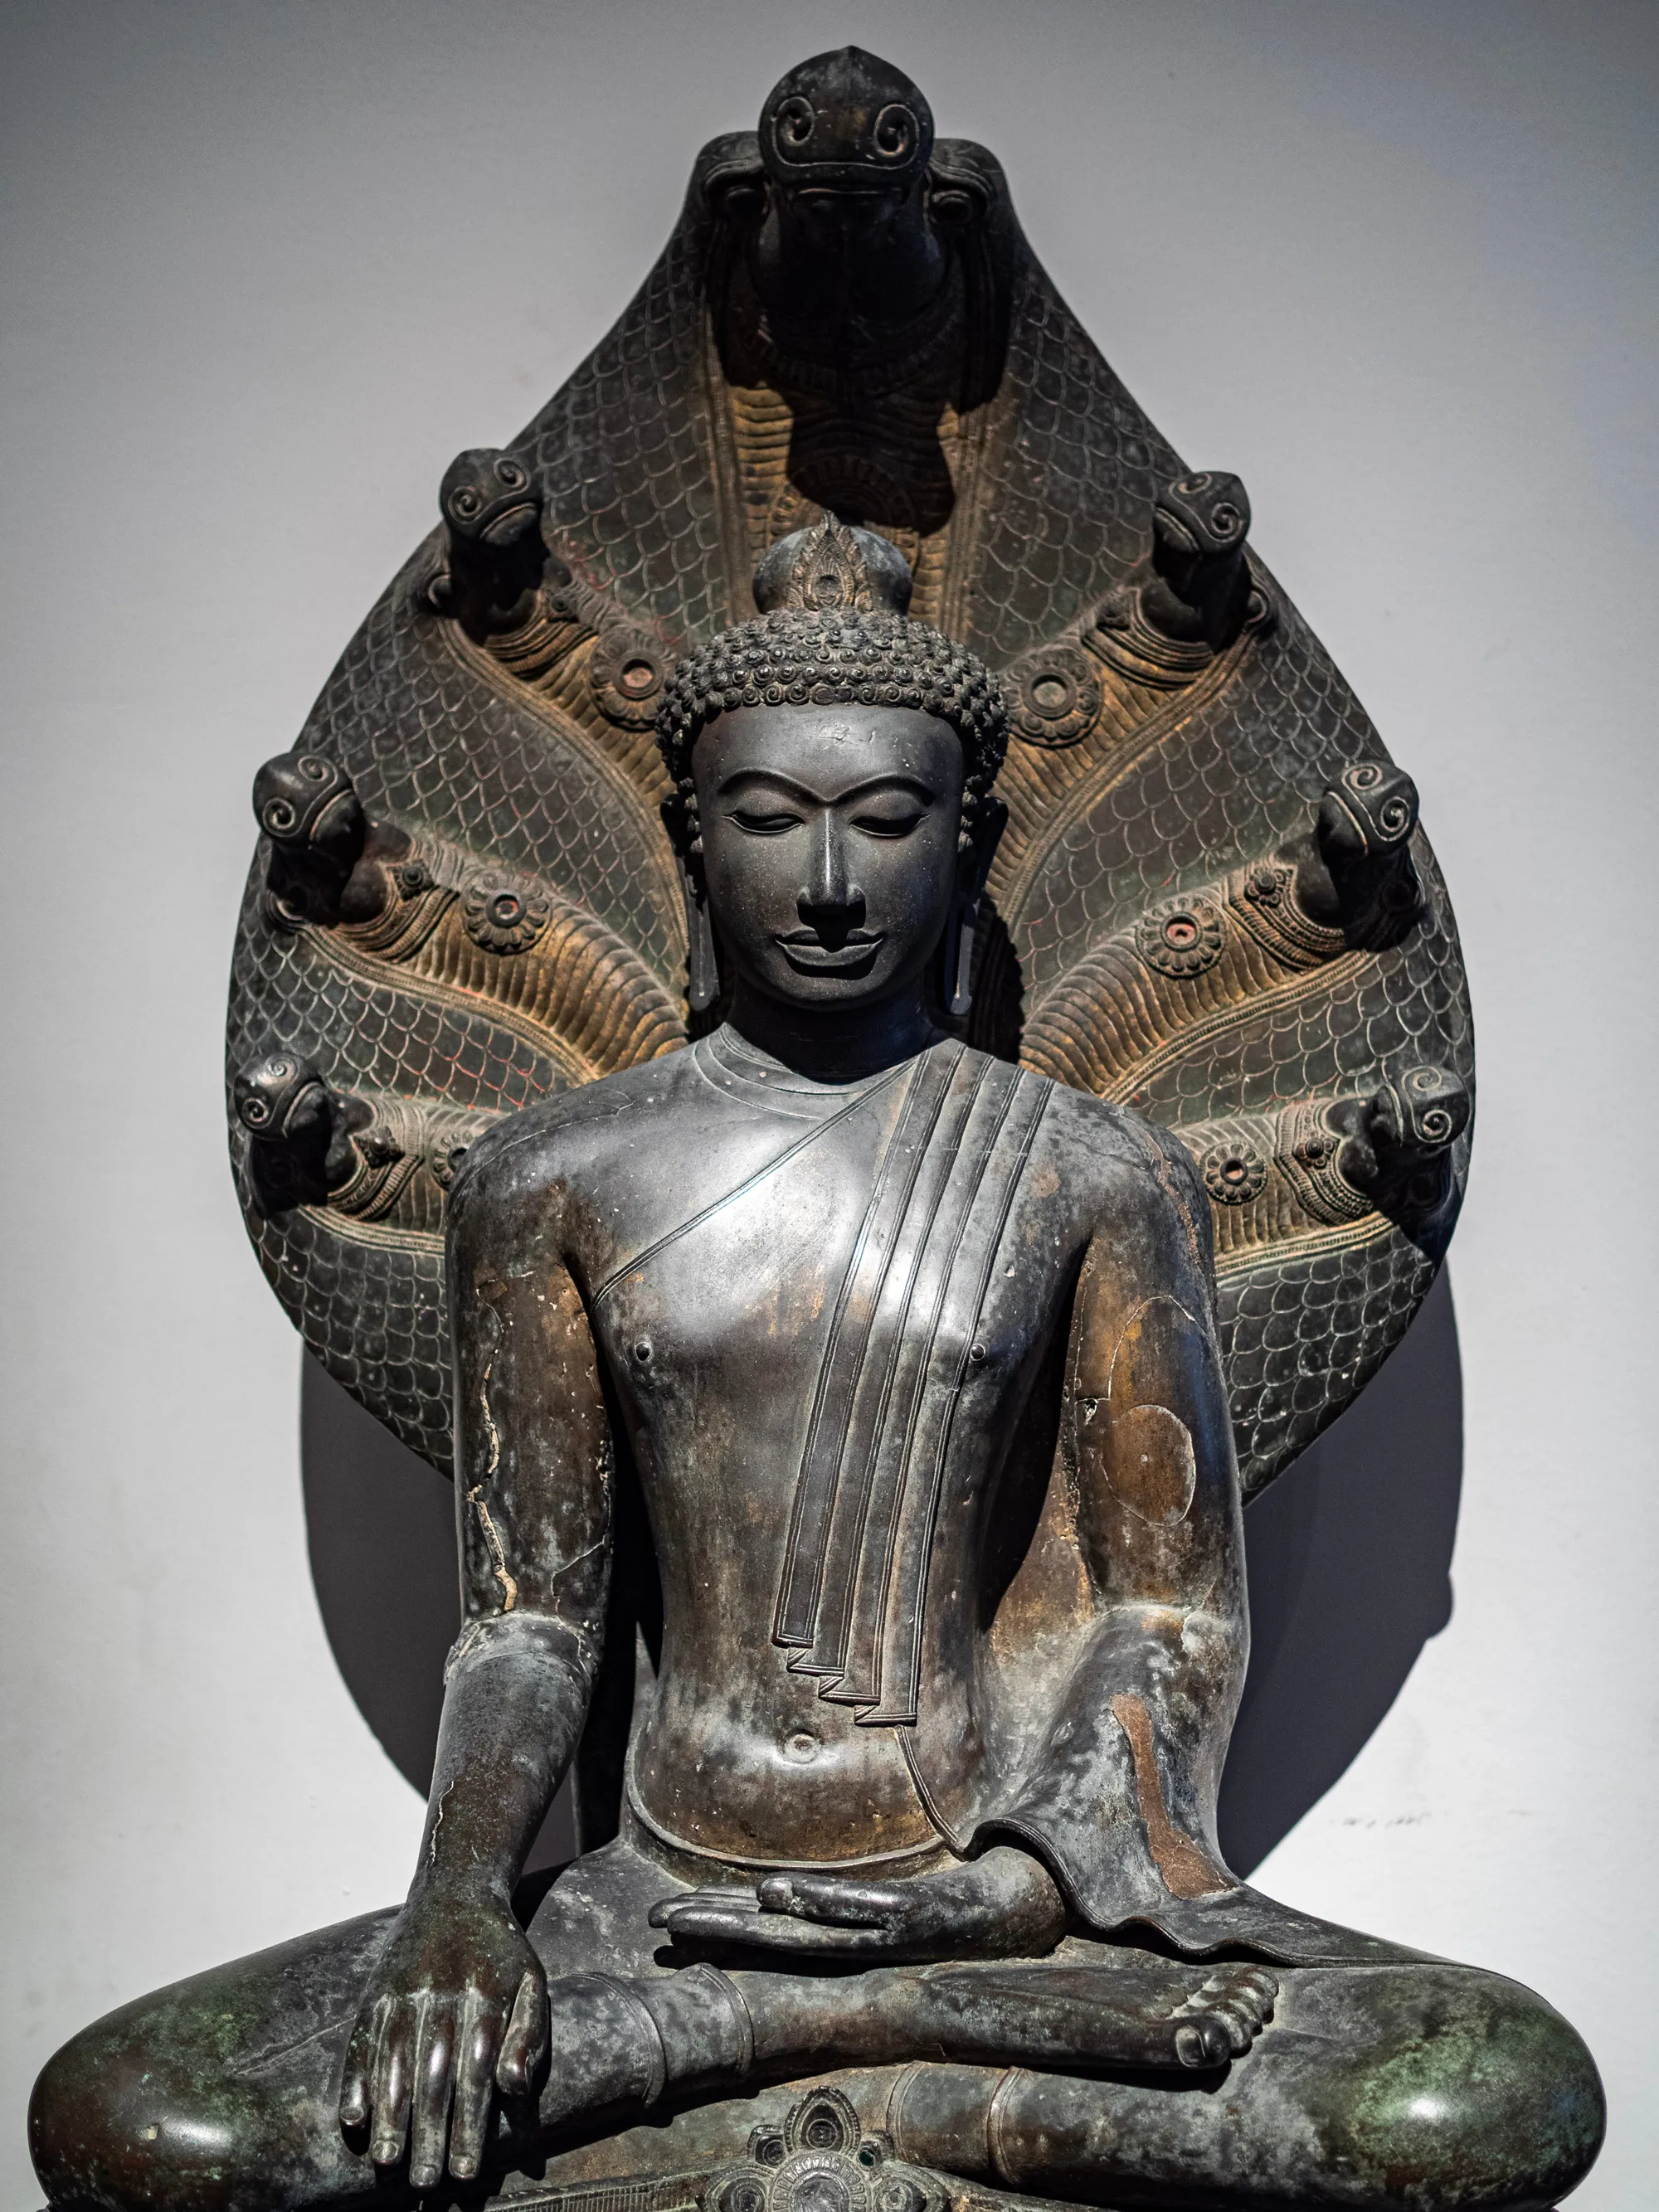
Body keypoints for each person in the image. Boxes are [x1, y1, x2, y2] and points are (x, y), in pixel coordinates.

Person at [31, 522, 1602, 2212]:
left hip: (995, 1902)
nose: (832, 880)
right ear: (690, 835)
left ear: (968, 839)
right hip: (659, 1904)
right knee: (140, 2117)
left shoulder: (1093, 1170)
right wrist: (462, 1904)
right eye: (772, 818)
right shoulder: (549, 1178)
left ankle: (783, 2053)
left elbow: (1165, 1611)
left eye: (888, 818)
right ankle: (889, 2059)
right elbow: (530, 1618)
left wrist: (1011, 1888)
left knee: (1479, 2086)